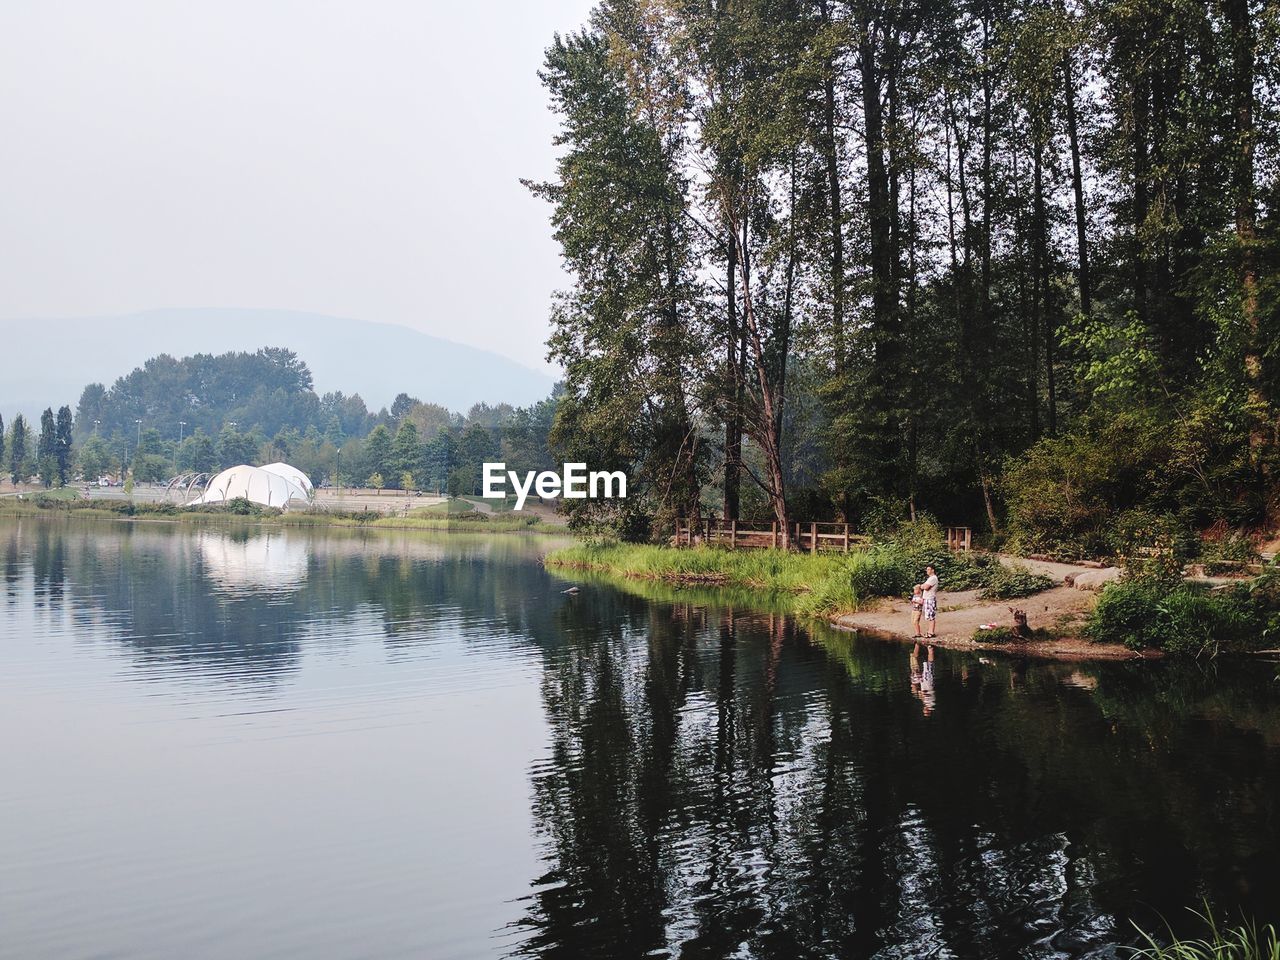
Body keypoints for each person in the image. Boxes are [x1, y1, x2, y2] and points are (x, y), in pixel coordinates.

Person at [918, 565, 939, 638]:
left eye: (928, 569)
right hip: (927, 598)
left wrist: (922, 586)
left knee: (931, 616)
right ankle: (929, 631)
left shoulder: (933, 578)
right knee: (929, 615)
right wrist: (923, 586)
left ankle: (931, 632)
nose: (927, 571)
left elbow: (925, 587)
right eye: (927, 569)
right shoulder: (930, 578)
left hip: (930, 598)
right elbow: (923, 586)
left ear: (932, 570)